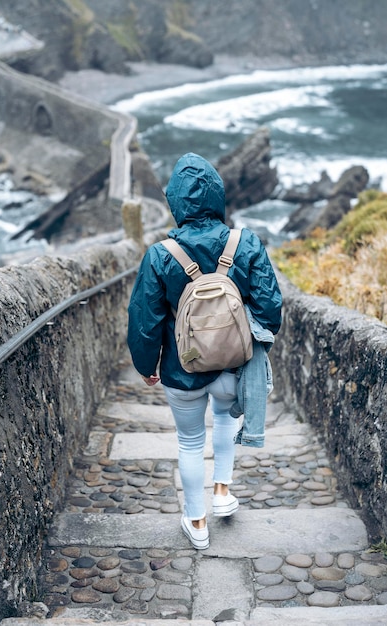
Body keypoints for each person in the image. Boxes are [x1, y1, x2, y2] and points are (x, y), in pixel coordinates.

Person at [127, 152, 282, 550]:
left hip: (182, 372)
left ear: (175, 202)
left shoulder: (160, 255)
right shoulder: (245, 242)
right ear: (218, 194)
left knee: (190, 442)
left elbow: (143, 320)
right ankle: (222, 492)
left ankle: (196, 522)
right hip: (233, 367)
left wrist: (146, 366)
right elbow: (270, 307)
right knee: (226, 423)